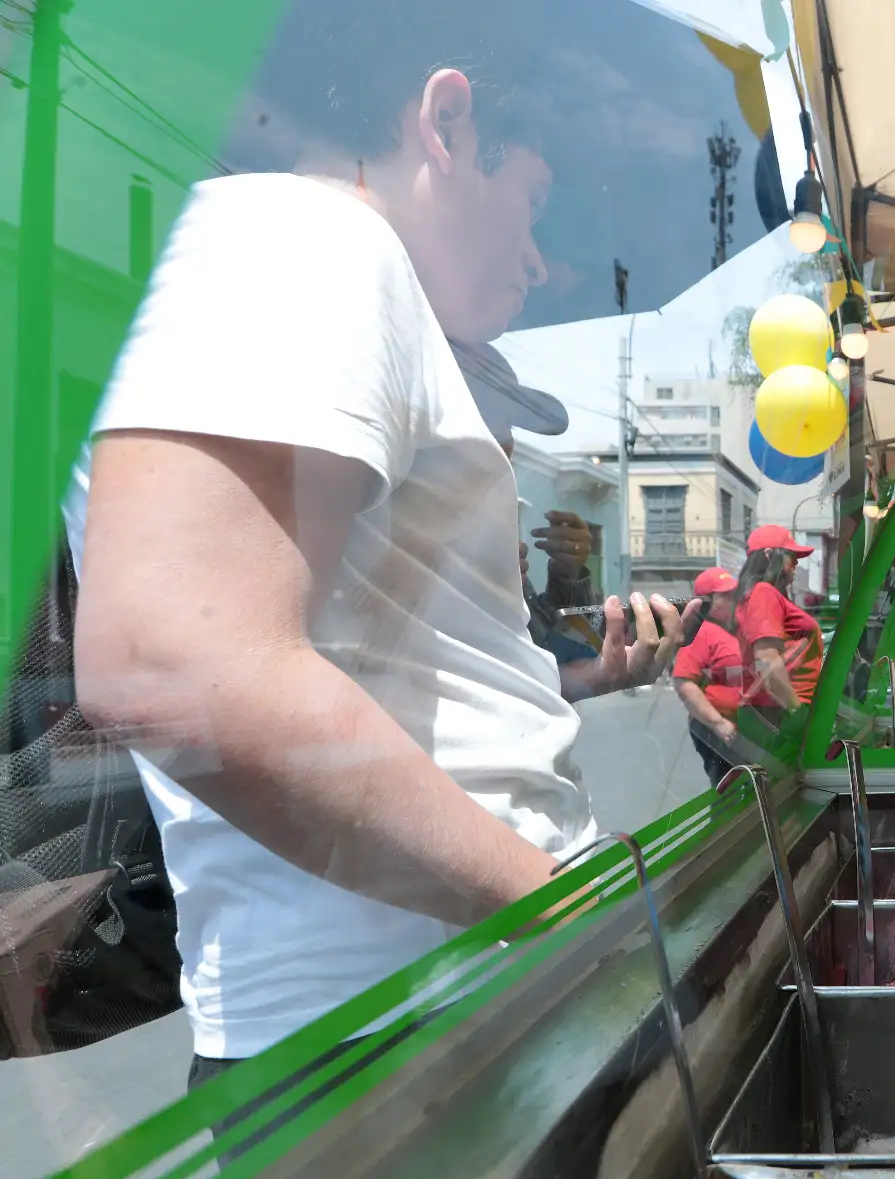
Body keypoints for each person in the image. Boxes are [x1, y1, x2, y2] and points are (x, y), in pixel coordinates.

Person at [64, 3, 696, 1081]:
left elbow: (389, 666)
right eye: (533, 202)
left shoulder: (318, 261)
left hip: (417, 1012)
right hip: (400, 1036)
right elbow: (170, 659)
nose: (540, 262)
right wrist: (556, 907)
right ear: (445, 122)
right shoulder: (312, 237)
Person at [453, 339, 605, 674]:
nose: (506, 440)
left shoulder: (487, 517)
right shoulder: (381, 516)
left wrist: (569, 575)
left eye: (507, 423)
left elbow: (555, 656)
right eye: (488, 417)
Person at [734, 526, 824, 719]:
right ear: (769, 555)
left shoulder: (764, 594)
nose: (795, 563)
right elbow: (766, 659)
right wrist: (796, 711)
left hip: (778, 709)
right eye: (791, 557)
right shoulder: (763, 593)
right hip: (779, 713)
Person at [672, 567, 746, 786]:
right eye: (726, 595)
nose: (735, 599)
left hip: (743, 729)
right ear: (707, 602)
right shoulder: (700, 634)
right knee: (730, 795)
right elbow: (683, 682)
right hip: (718, 731)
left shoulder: (736, 628)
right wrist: (718, 723)